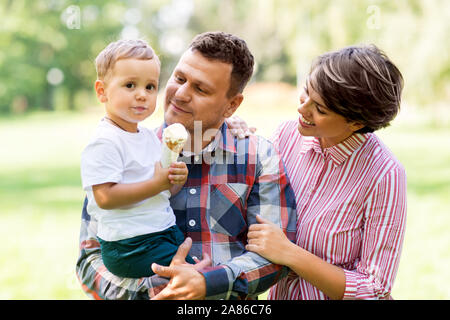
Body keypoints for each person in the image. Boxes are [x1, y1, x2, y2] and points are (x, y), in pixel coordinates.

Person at [76, 32, 297, 299]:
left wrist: (208, 283)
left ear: (232, 106)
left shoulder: (259, 156)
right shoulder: (130, 149)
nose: (180, 94)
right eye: (179, 79)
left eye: (200, 89)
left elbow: (274, 258)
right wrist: (161, 292)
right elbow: (90, 260)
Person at [241, 44, 407, 299]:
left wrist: (290, 254)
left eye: (320, 109)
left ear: (356, 123)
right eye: (306, 91)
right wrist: (229, 134)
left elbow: (374, 288)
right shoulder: (285, 136)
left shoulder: (384, 173)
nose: (302, 109)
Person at [80, 39, 194, 279]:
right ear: (102, 91)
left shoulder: (149, 137)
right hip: (130, 245)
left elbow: (163, 192)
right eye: (130, 85)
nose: (142, 95)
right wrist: (158, 184)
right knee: (200, 280)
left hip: (161, 232)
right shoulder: (105, 141)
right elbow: (105, 198)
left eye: (150, 87)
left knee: (201, 275)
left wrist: (174, 180)